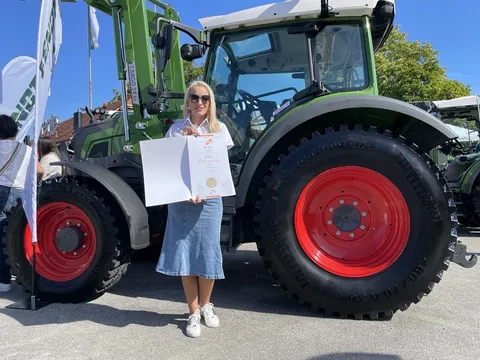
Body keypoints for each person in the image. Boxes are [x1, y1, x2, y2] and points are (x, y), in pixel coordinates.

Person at [155, 81, 234, 338]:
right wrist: (184, 192)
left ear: (210, 102)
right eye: (194, 97)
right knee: (186, 254)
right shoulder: (175, 131)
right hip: (182, 202)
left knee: (208, 252)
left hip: (210, 201)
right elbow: (169, 168)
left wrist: (203, 143)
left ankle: (206, 305)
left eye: (205, 98)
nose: (200, 102)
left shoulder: (219, 130)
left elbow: (218, 168)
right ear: (187, 101)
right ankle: (192, 312)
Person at [0, 114, 44, 292]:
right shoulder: (26, 149)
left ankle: (3, 281)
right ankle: (20, 275)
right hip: (20, 192)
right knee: (17, 235)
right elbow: (40, 171)